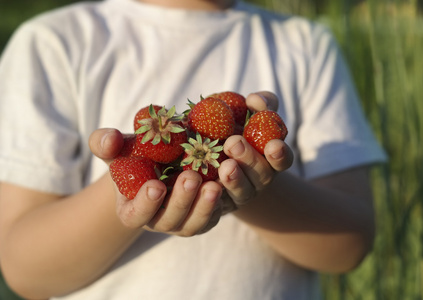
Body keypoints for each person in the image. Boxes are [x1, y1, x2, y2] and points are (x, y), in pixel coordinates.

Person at [0, 0, 387, 299]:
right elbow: (24, 269)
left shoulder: (305, 45)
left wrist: (251, 182)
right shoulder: (54, 43)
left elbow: (348, 244)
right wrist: (134, 181)